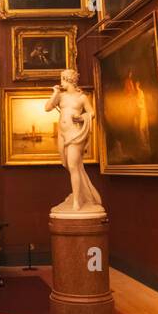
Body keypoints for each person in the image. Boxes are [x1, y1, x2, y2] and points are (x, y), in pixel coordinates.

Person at [45, 69, 102, 214]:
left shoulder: (81, 97)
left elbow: (92, 112)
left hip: (75, 133)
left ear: (69, 80)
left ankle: (77, 201)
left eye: (62, 79)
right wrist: (55, 93)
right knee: (68, 165)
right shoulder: (61, 96)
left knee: (73, 165)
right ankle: (82, 194)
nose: (61, 81)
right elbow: (47, 108)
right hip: (62, 134)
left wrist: (83, 118)